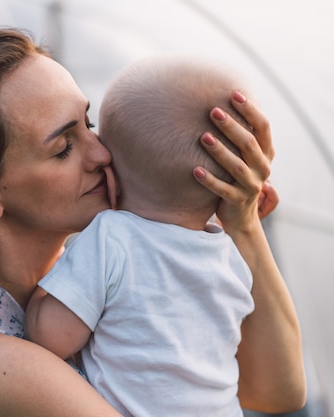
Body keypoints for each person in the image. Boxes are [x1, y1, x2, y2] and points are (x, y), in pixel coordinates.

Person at [0, 28, 306, 417]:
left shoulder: (106, 276)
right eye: (63, 148)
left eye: (90, 124)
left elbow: (278, 392)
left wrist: (240, 221)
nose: (102, 154)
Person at [24, 57, 287, 416]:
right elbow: (277, 390)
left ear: (113, 165)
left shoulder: (111, 238)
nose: (97, 152)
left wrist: (43, 285)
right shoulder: (232, 256)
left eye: (94, 128)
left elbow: (52, 336)